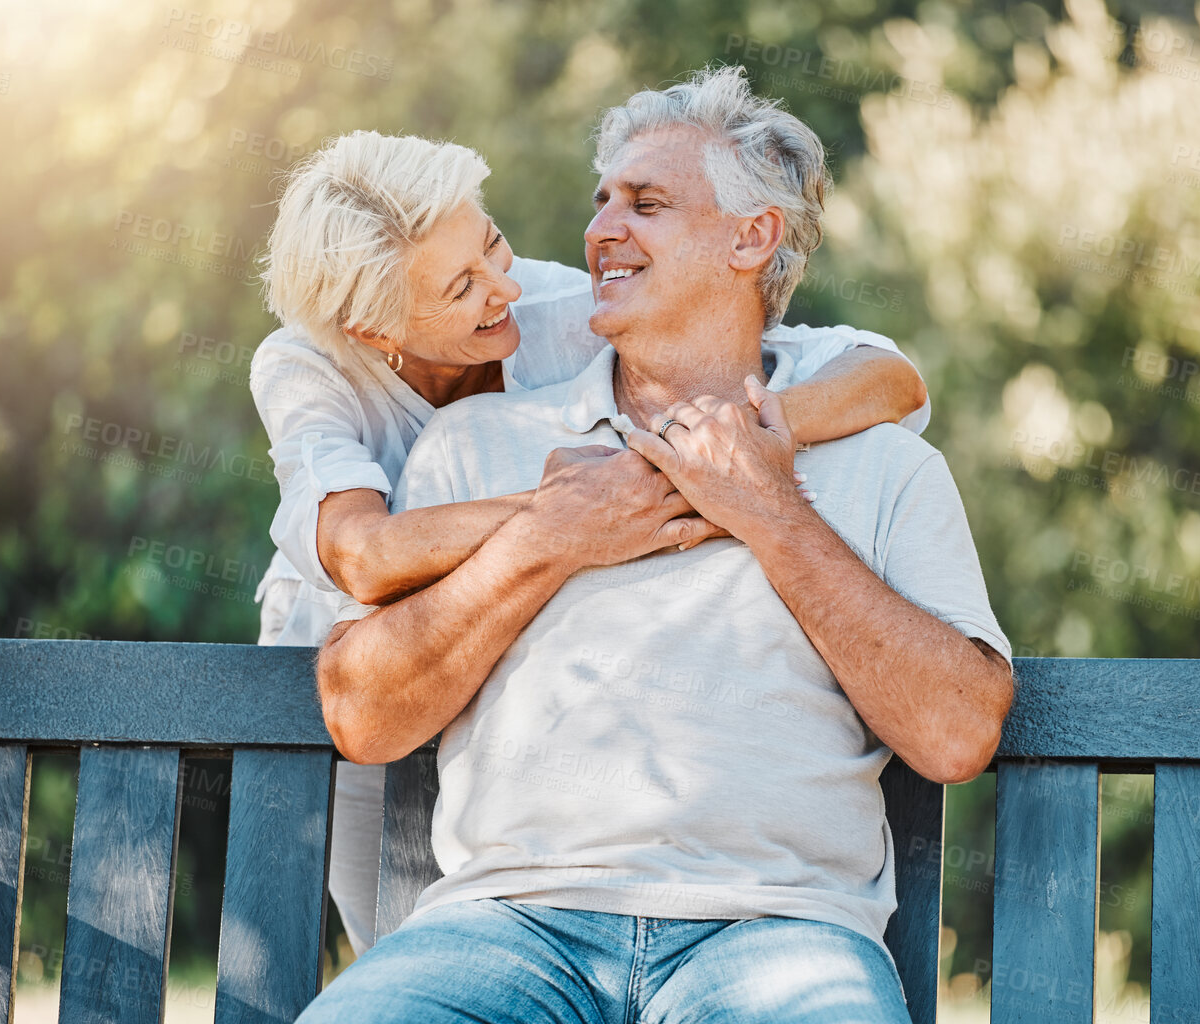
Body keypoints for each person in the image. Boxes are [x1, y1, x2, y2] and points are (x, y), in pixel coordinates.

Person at [273, 67, 1014, 1024]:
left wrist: (769, 506)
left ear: (753, 237)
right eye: (601, 198)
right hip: (512, 924)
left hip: (777, 934)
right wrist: (547, 536)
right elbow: (362, 714)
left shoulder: (883, 471)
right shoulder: (476, 450)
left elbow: (959, 730)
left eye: (645, 204)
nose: (596, 230)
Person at [249, 129, 934, 955]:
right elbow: (362, 552)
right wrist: (569, 512)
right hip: (366, 653)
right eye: (461, 288)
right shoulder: (306, 365)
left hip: (516, 636)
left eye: (493, 242)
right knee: (386, 931)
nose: (504, 284)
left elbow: (887, 375)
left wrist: (726, 447)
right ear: (373, 329)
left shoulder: (553, 308)